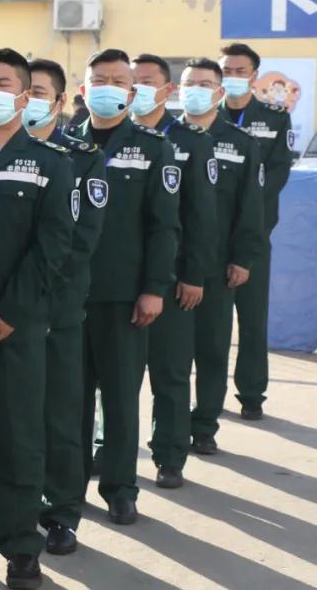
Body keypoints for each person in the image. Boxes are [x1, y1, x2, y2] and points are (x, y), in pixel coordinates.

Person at [0, 49, 75, 590]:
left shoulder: (51, 164)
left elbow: (53, 248)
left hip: (14, 330)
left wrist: (13, 310)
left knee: (18, 443)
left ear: (25, 98)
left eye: (4, 83)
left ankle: (22, 549)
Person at [0, 58, 108, 557]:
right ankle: (1, 505)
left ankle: (60, 513)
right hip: (0, 311)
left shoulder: (77, 158)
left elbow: (75, 242)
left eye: (37, 94)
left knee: (55, 418)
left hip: (54, 312)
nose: (26, 102)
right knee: (11, 422)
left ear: (55, 102)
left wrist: (28, 300)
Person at [67, 49, 180, 525]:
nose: (108, 87)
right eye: (100, 79)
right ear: (83, 90)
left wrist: (155, 288)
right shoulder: (62, 145)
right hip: (68, 297)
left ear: (133, 94)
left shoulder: (154, 148)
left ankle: (119, 486)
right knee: (68, 401)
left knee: (119, 398)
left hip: (123, 294)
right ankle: (66, 489)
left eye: (118, 80)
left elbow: (164, 226)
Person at [131, 53, 217, 489]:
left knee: (169, 371)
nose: (136, 88)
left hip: (172, 277)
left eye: (146, 81)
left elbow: (202, 215)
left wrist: (195, 275)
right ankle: (107, 449)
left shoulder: (191, 140)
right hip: (121, 278)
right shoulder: (104, 139)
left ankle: (169, 454)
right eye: (132, 80)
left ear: (166, 90)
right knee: (116, 377)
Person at [184, 58, 264, 456]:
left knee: (212, 350)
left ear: (219, 92)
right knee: (170, 359)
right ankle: (169, 428)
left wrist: (243, 259)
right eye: (189, 83)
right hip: (169, 268)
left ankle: (203, 425)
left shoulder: (240, 144)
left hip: (216, 268)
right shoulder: (167, 138)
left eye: (204, 84)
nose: (195, 90)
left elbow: (252, 209)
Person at [218, 43, 291, 420]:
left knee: (251, 321)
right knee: (210, 325)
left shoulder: (274, 118)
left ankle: (251, 394)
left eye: (239, 70)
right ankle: (206, 399)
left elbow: (277, 173)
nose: (232, 77)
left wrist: (247, 217)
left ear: (254, 75)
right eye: (226, 70)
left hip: (254, 237)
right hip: (209, 239)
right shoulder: (205, 117)